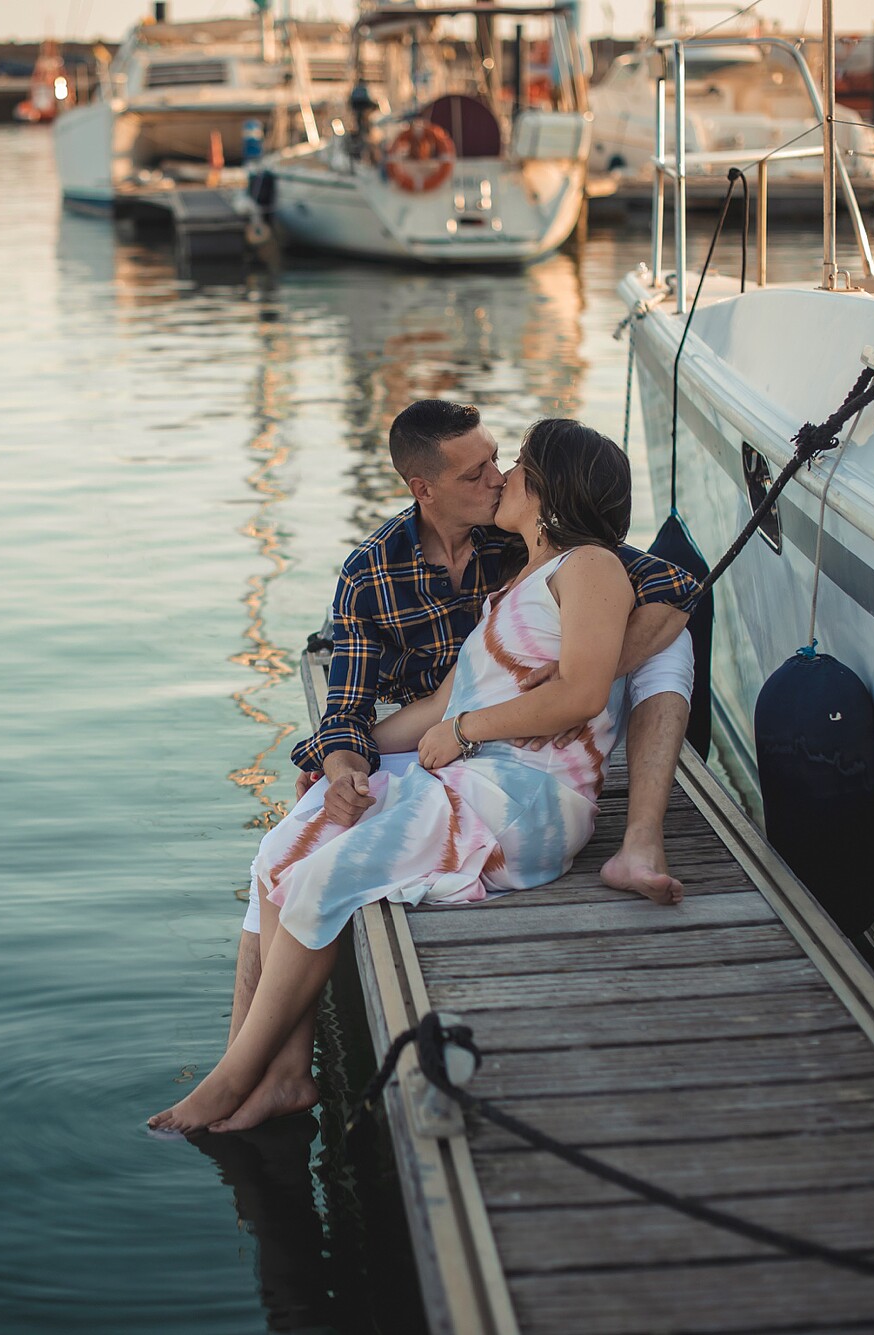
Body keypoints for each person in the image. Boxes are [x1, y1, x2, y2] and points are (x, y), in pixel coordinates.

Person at [153, 417, 668, 1135]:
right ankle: (284, 1072)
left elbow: (580, 693)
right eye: (488, 467)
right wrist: (339, 757)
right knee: (288, 851)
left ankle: (231, 1078)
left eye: (516, 465)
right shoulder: (515, 579)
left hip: (531, 796)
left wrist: (463, 732)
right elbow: (435, 705)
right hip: (480, 775)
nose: (503, 477)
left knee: (319, 881)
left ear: (549, 493)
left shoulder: (589, 568)